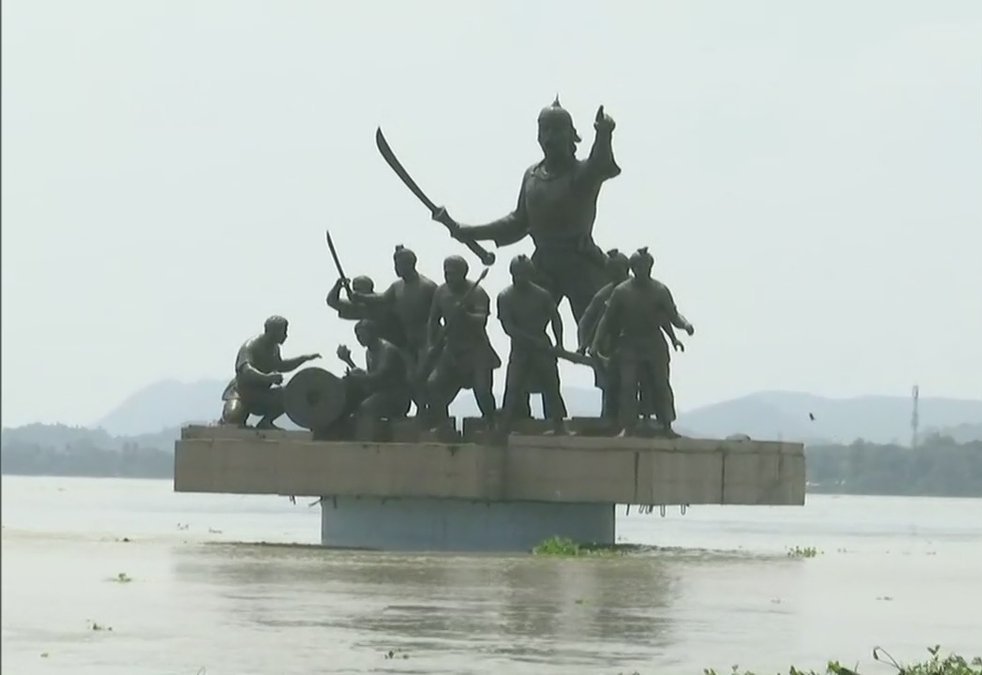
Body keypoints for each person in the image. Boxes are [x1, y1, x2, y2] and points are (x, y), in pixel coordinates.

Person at [433, 97, 621, 323]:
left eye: (557, 130)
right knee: (527, 320)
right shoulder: (532, 176)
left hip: (579, 261)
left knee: (595, 325)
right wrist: (472, 232)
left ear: (571, 135)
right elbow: (519, 222)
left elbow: (600, 163)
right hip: (542, 262)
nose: (550, 137)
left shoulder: (581, 174)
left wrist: (603, 133)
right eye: (545, 130)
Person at [591, 248, 694, 437]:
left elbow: (672, 315)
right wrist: (596, 344)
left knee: (660, 383)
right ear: (633, 267)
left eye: (646, 266)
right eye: (638, 267)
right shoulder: (621, 292)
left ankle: (666, 425)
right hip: (629, 342)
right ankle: (628, 426)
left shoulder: (660, 290)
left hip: (653, 342)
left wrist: (685, 325)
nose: (642, 270)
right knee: (628, 385)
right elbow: (607, 319)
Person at [424, 255, 500, 429]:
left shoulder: (477, 293)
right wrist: (431, 344)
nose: (448, 277)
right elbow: (433, 320)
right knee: (433, 385)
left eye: (452, 273)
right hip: (451, 349)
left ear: (463, 273)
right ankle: (443, 424)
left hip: (476, 350)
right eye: (446, 273)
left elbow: (482, 320)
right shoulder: (441, 292)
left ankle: (491, 422)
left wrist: (465, 314)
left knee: (482, 390)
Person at [497, 254, 568, 434]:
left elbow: (555, 318)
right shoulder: (505, 297)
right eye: (517, 274)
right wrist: (530, 340)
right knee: (513, 386)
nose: (521, 278)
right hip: (520, 348)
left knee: (551, 384)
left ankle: (558, 423)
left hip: (543, 346)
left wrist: (559, 343)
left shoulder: (542, 295)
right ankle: (507, 424)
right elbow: (509, 327)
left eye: (524, 274)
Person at [220, 315, 320, 429]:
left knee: (288, 394)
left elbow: (280, 365)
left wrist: (303, 358)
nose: (285, 336)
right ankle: (229, 417)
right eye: (283, 332)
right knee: (233, 418)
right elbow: (246, 370)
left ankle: (266, 422)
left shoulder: (274, 348)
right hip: (242, 394)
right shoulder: (251, 346)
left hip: (262, 394)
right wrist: (267, 378)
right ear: (273, 332)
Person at [339, 319, 412, 420]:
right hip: (381, 392)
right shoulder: (369, 352)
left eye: (363, 335)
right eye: (358, 336)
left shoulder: (387, 350)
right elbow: (369, 377)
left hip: (396, 398)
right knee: (355, 375)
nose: (360, 339)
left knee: (365, 408)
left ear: (372, 333)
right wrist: (348, 361)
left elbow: (380, 377)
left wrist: (356, 378)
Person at [326, 275, 404, 346]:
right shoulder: (359, 307)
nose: (355, 293)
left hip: (398, 339)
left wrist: (360, 297)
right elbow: (332, 302)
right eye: (354, 290)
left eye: (358, 290)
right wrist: (338, 286)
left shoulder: (381, 302)